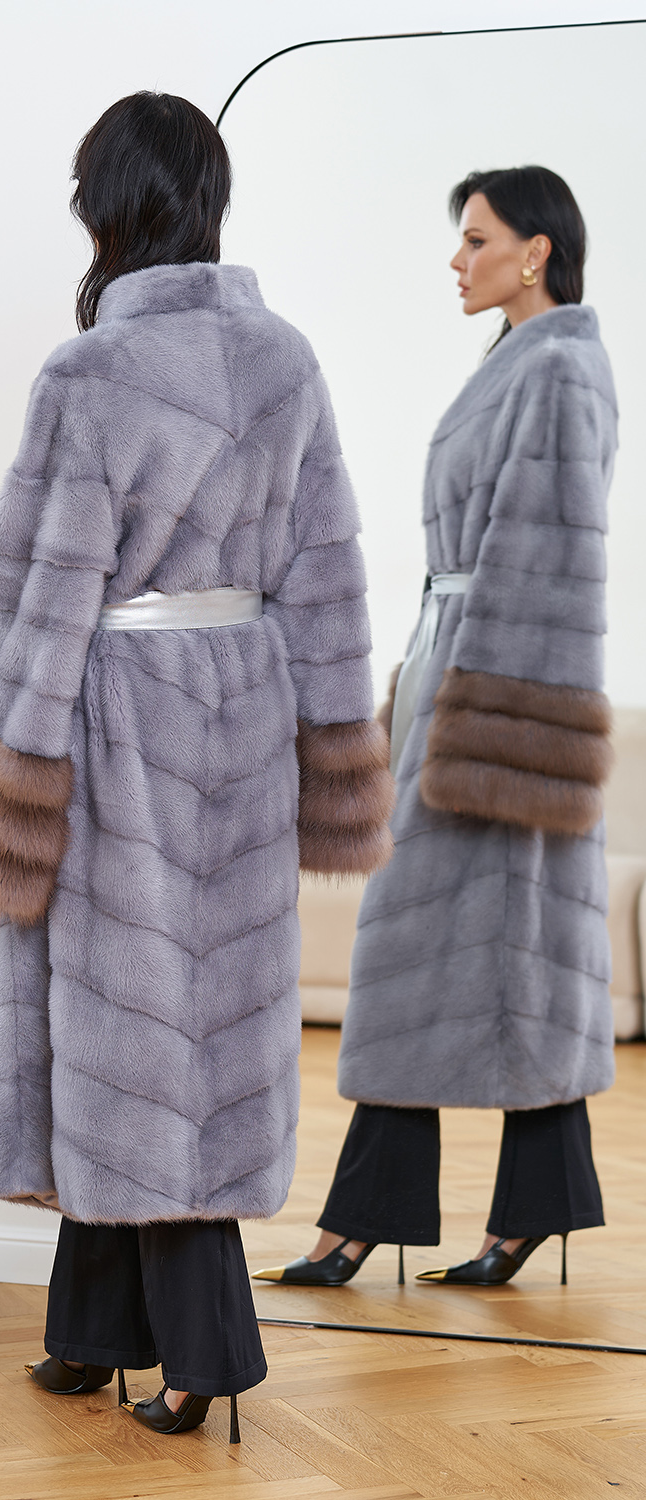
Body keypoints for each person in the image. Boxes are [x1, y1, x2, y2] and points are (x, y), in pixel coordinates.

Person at [0, 91, 394, 1439]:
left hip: (120, 718)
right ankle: (91, 1334)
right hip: (245, 714)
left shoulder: (89, 374)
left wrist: (8, 760)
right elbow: (326, 575)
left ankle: (204, 1354)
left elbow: (43, 592)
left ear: (110, 205)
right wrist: (331, 748)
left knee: (130, 1030)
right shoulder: (286, 359)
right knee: (175, 1036)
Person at [254, 165, 617, 1292]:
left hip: (498, 709)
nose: (457, 260)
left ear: (535, 251)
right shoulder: (522, 361)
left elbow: (552, 563)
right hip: (460, 682)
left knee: (433, 952)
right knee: (500, 958)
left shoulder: (557, 370)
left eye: (476, 239)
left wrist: (496, 741)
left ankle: (363, 1219)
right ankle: (527, 1205)